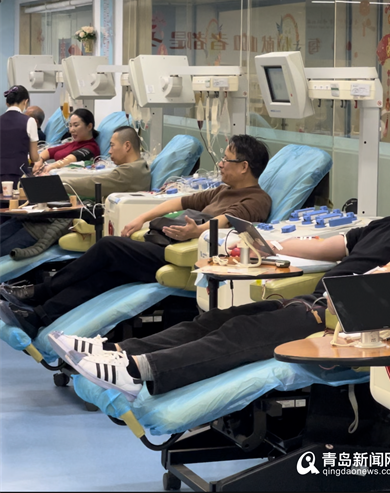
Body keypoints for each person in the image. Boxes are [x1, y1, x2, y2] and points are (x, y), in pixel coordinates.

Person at [28, 154, 390, 400]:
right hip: (308, 304)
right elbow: (328, 247)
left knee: (238, 335)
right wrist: (268, 243)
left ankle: (138, 373)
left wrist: (350, 297)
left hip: (338, 322)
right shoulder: (385, 224)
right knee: (215, 320)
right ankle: (117, 352)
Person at [0, 135, 271, 334]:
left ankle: (40, 291)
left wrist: (197, 230)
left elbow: (228, 220)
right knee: (105, 275)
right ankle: (38, 317)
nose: (220, 164)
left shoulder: (257, 199)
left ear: (244, 166)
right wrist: (142, 217)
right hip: (168, 247)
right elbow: (180, 201)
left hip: (188, 259)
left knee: (109, 246)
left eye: (226, 159)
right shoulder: (223, 190)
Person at [0, 126, 151, 257]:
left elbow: (93, 183)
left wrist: (56, 184)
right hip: (59, 217)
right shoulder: (136, 167)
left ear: (127, 146)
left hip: (66, 222)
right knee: (16, 223)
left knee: (9, 241)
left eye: (112, 146)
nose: (109, 151)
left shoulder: (131, 171)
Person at [32, 108, 100, 175]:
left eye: (76, 125)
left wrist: (51, 167)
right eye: (70, 126)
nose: (71, 130)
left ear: (89, 126)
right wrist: (39, 161)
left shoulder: (91, 148)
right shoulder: (72, 144)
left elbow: (69, 160)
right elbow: (49, 151)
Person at [0, 85, 39, 188]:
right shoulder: (29, 121)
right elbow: (34, 157)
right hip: (18, 174)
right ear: (25, 102)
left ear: (7, 103)